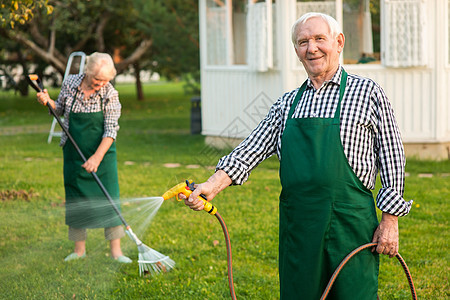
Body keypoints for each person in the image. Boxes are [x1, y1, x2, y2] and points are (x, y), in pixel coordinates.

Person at [181, 13, 413, 299]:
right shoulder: (287, 103)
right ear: (296, 51)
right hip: (300, 227)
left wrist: (390, 220)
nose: (311, 48)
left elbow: (392, 156)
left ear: (338, 42)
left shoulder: (368, 93)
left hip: (351, 224)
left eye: (319, 39)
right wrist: (211, 185)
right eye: (303, 42)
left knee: (355, 294)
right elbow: (250, 150)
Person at [36, 52, 131, 263]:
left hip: (102, 156)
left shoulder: (109, 93)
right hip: (73, 153)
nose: (100, 85)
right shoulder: (70, 83)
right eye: (97, 80)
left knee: (109, 199)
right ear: (87, 72)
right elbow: (59, 110)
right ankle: (79, 250)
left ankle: (116, 252)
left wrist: (96, 158)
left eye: (105, 81)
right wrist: (48, 101)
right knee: (76, 199)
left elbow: (111, 131)